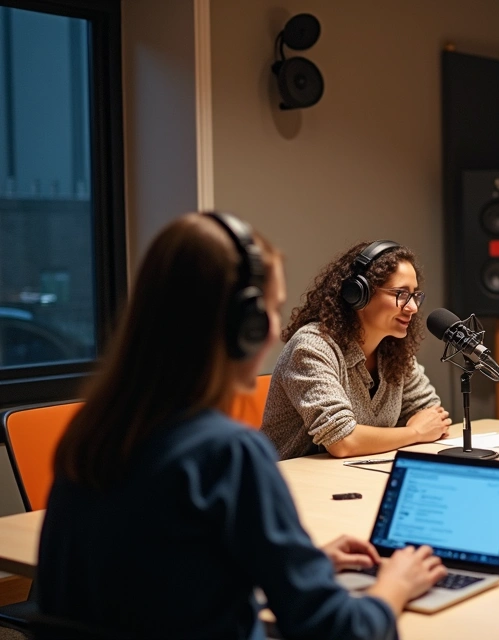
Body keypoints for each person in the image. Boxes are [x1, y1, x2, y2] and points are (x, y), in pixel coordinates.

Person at [39, 213, 447, 639]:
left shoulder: (93, 436)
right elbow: (339, 630)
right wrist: (394, 587)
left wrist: (296, 564)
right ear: (243, 325)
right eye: (268, 310)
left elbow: (166, 581)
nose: (274, 331)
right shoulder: (227, 453)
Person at [262, 240, 452, 459]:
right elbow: (342, 441)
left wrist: (422, 427)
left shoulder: (393, 351)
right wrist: (415, 432)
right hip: (291, 482)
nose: (413, 307)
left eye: (415, 295)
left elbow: (432, 416)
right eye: (400, 294)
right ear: (358, 294)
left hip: (354, 476)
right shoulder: (312, 346)